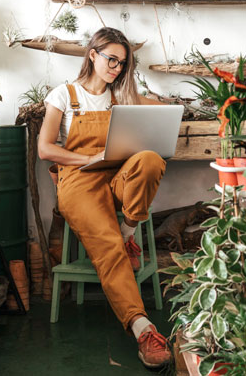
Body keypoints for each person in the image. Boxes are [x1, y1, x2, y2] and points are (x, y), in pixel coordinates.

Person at [38, 27, 172, 369]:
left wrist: (168, 108)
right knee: (109, 246)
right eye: (111, 59)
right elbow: (45, 149)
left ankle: (129, 231)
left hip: (115, 177)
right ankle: (142, 328)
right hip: (79, 181)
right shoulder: (64, 96)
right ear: (92, 54)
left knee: (151, 159)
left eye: (122, 63)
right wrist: (87, 159)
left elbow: (159, 111)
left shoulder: (121, 98)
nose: (116, 67)